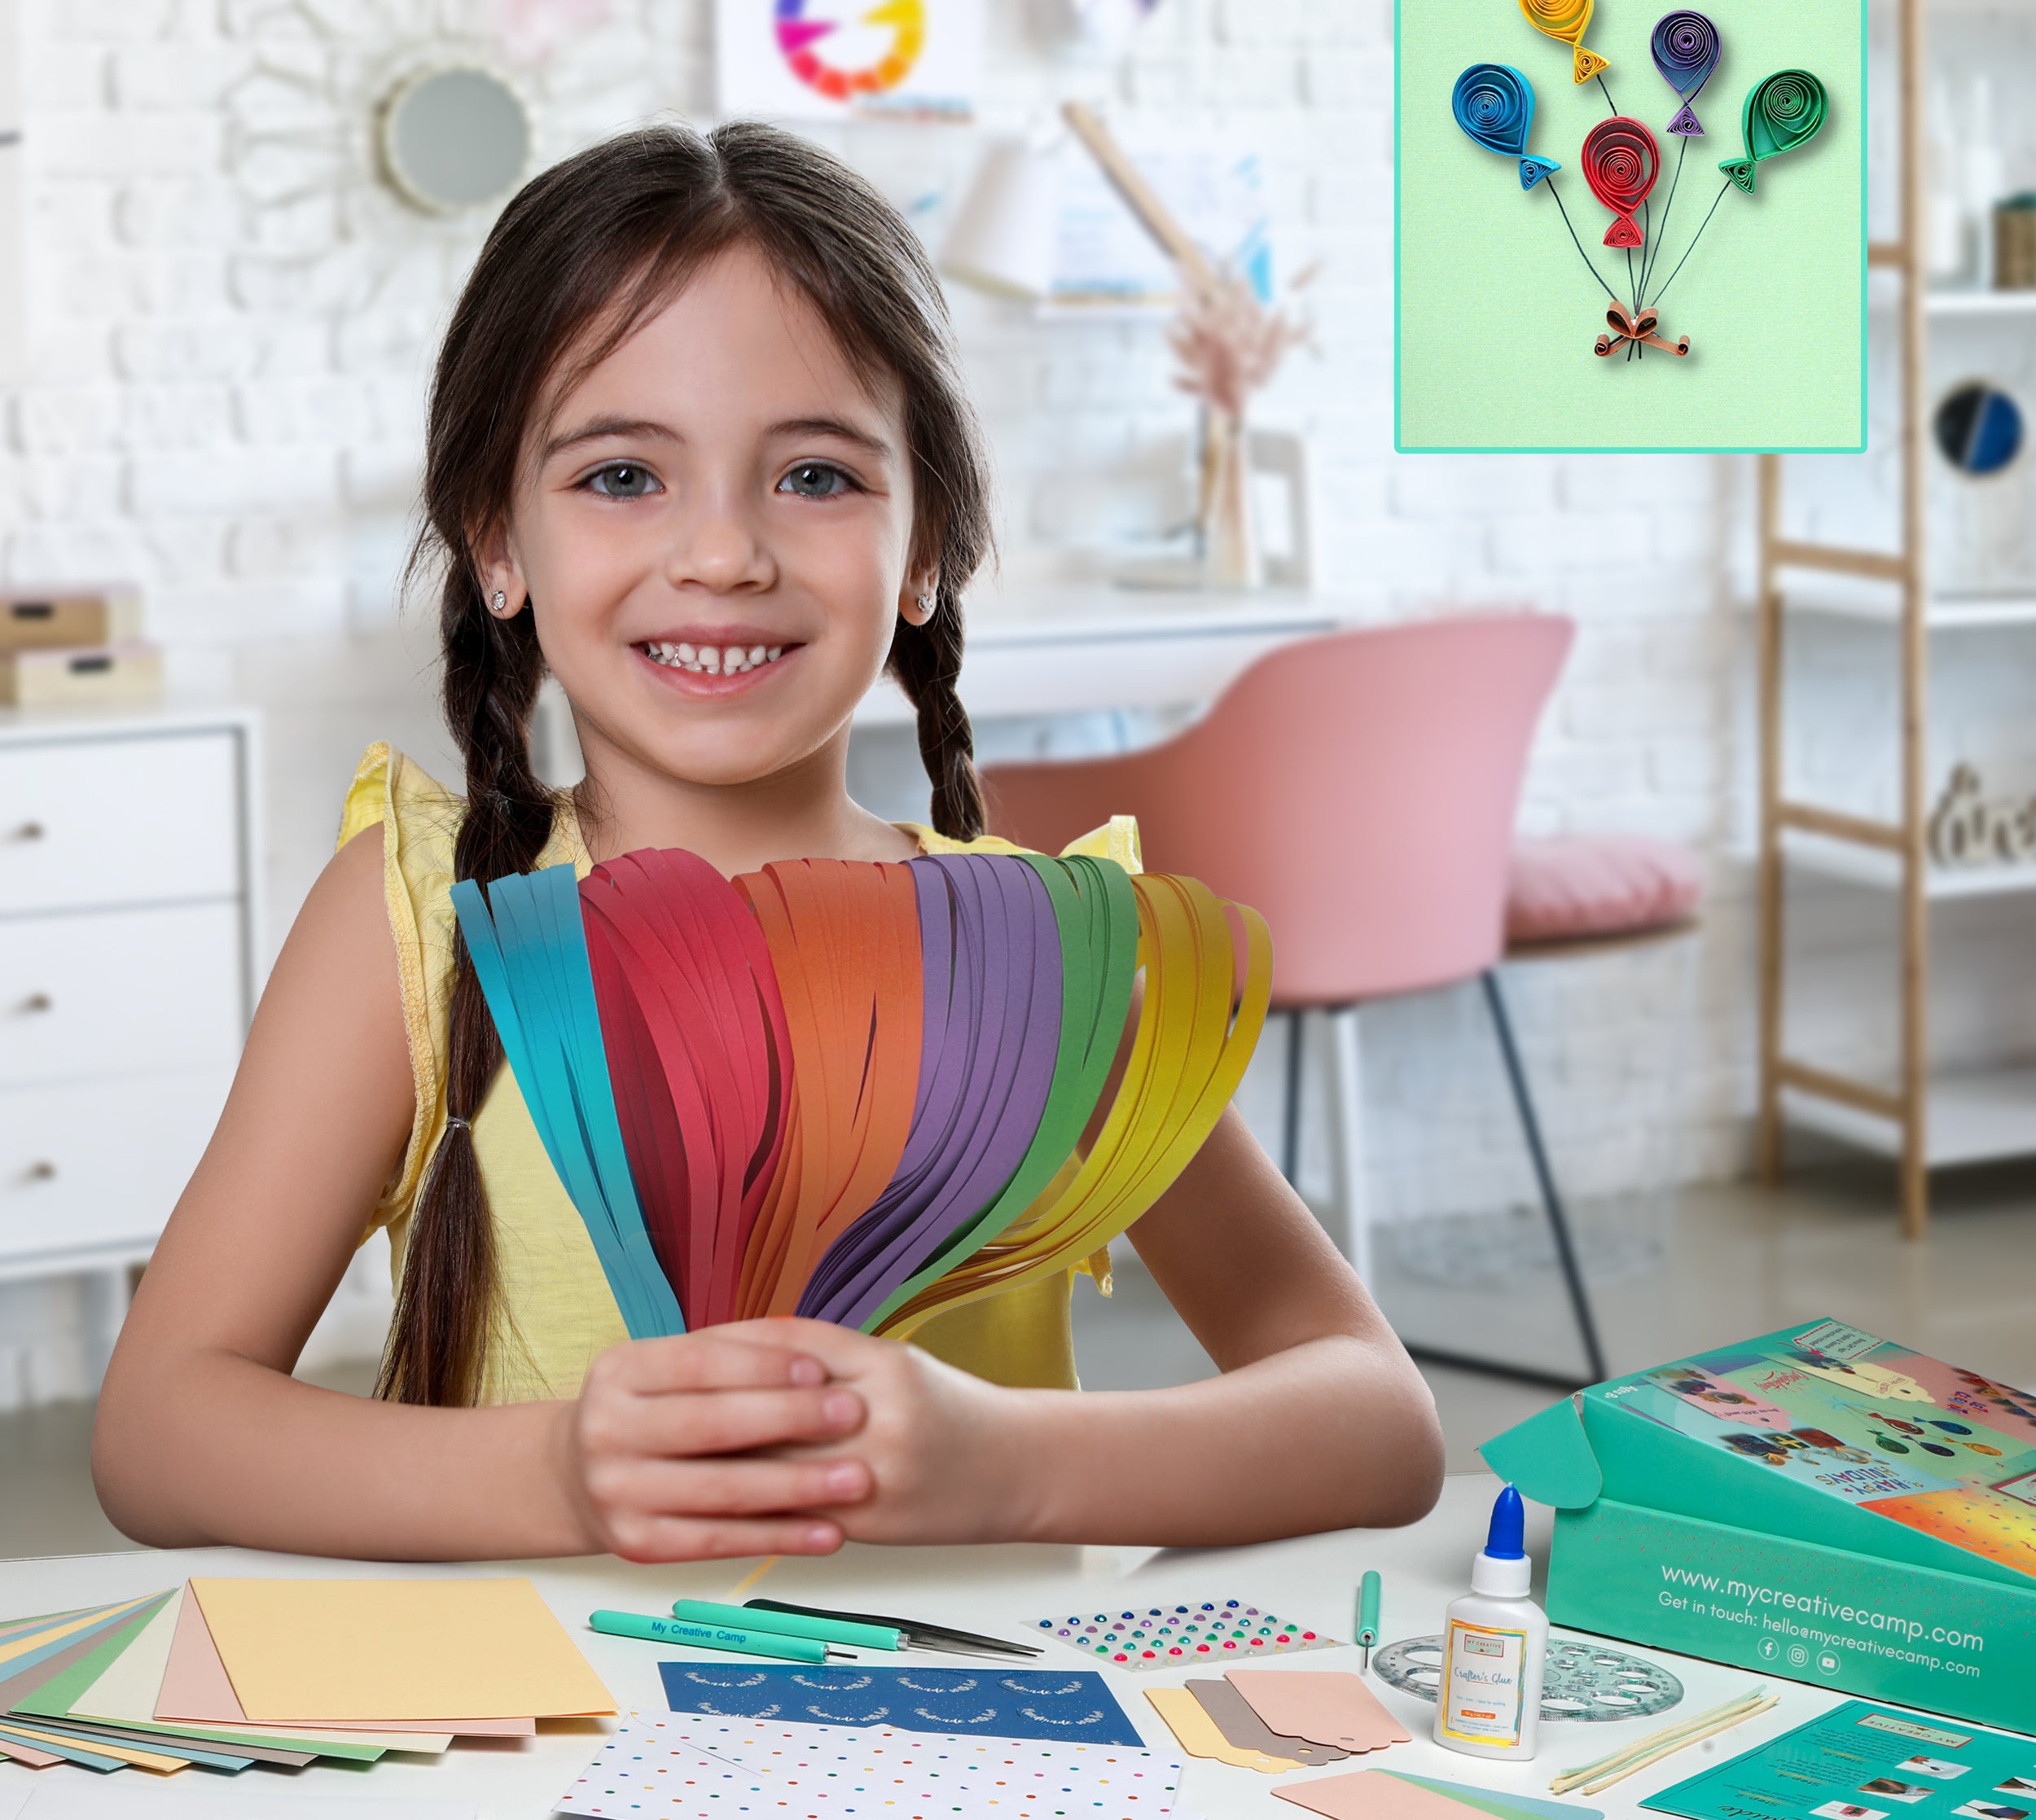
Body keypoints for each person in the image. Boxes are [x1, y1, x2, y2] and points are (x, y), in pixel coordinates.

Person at [93, 121, 1443, 1563]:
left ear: (925, 549)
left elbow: (1379, 1418)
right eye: (622, 476)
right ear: (498, 542)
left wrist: (1011, 1464)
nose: (724, 553)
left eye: (813, 477)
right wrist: (558, 1475)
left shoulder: (1045, 954)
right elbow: (160, 1429)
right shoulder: (417, 920)